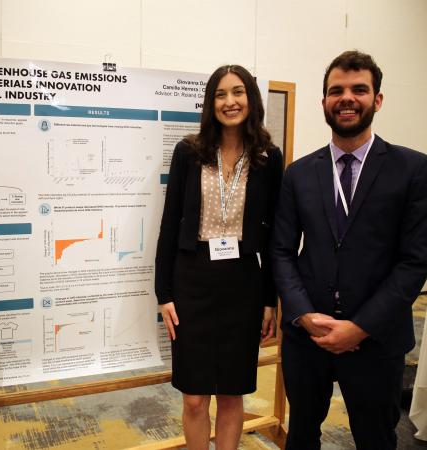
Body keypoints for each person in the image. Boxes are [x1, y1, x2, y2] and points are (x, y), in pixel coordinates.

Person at [271, 50, 427, 449]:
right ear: (323, 101)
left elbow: (414, 262)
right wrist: (304, 316)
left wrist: (360, 327)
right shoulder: (300, 173)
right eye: (336, 90)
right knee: (302, 433)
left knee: (375, 439)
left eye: (359, 89)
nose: (347, 98)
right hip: (309, 339)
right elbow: (282, 251)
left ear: (377, 99)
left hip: (376, 340)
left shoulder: (412, 169)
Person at [155, 65, 283, 450]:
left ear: (251, 99)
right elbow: (169, 222)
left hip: (243, 282)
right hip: (192, 280)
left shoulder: (267, 157)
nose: (230, 102)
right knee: (194, 397)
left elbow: (276, 233)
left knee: (231, 394)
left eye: (238, 92)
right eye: (221, 94)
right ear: (211, 103)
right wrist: (164, 294)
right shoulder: (189, 153)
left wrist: (269, 300)